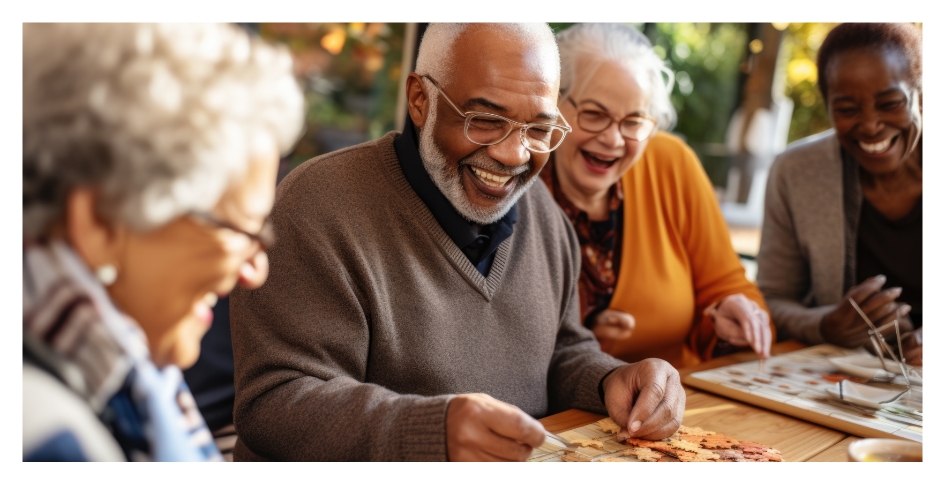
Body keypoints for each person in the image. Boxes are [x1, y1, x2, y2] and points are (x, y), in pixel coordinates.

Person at [230, 23, 685, 462]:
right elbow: (273, 404)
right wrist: (433, 431)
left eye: (540, 130)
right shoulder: (318, 204)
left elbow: (563, 350)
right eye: (485, 120)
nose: (514, 155)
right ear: (419, 100)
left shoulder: (543, 211)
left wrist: (611, 379)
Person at [22, 23, 304, 461]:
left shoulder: (134, 378)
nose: (257, 269)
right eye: (243, 230)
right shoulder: (51, 443)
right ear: (101, 222)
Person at [540, 23, 773, 368]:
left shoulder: (671, 164)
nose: (614, 139)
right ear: (553, 103)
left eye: (633, 121)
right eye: (594, 114)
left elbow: (726, 287)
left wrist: (727, 320)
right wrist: (581, 344)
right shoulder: (518, 176)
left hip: (671, 404)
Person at [756, 23, 922, 365]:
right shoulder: (796, 171)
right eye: (847, 109)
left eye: (890, 103)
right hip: (843, 377)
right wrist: (826, 325)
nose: (871, 125)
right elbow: (772, 298)